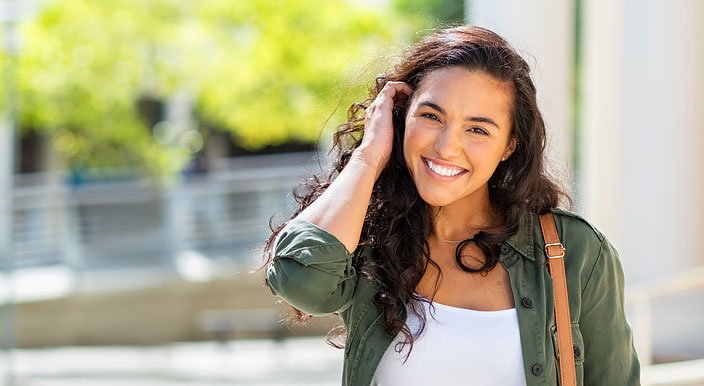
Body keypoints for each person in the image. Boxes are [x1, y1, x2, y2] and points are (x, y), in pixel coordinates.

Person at [261, 25, 641, 386]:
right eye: (431, 116)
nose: (446, 147)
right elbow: (299, 281)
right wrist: (369, 157)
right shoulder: (369, 239)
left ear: (510, 145)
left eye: (477, 129)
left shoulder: (573, 251)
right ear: (401, 118)